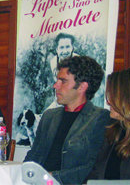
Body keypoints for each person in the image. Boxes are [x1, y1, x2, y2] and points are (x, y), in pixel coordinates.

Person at [24, 56, 111, 185]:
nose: (55, 86)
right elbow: (33, 157)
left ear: (82, 87)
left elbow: (93, 168)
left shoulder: (100, 118)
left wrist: (50, 178)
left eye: (63, 81)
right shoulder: (49, 116)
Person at [46, 33, 79, 110]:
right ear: (57, 50)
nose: (65, 51)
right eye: (61, 47)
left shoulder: (78, 62)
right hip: (60, 99)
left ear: (72, 48)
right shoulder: (53, 62)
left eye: (67, 47)